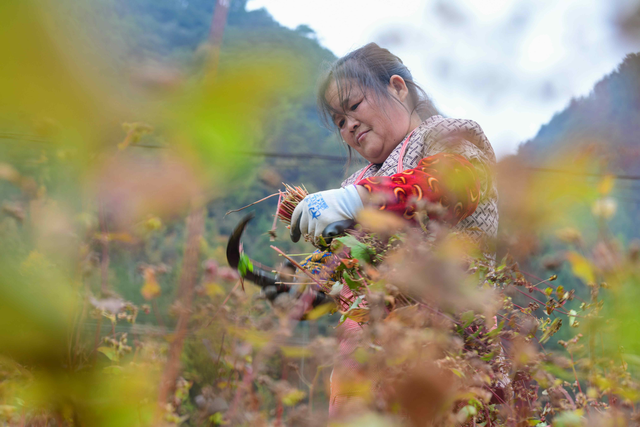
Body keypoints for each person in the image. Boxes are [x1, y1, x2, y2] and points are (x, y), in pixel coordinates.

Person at [288, 43, 499, 418]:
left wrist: (359, 200)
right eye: (339, 121)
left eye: (353, 107)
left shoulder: (451, 135)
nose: (349, 124)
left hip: (446, 343)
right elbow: (352, 268)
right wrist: (317, 282)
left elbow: (448, 185)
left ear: (398, 88)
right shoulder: (357, 180)